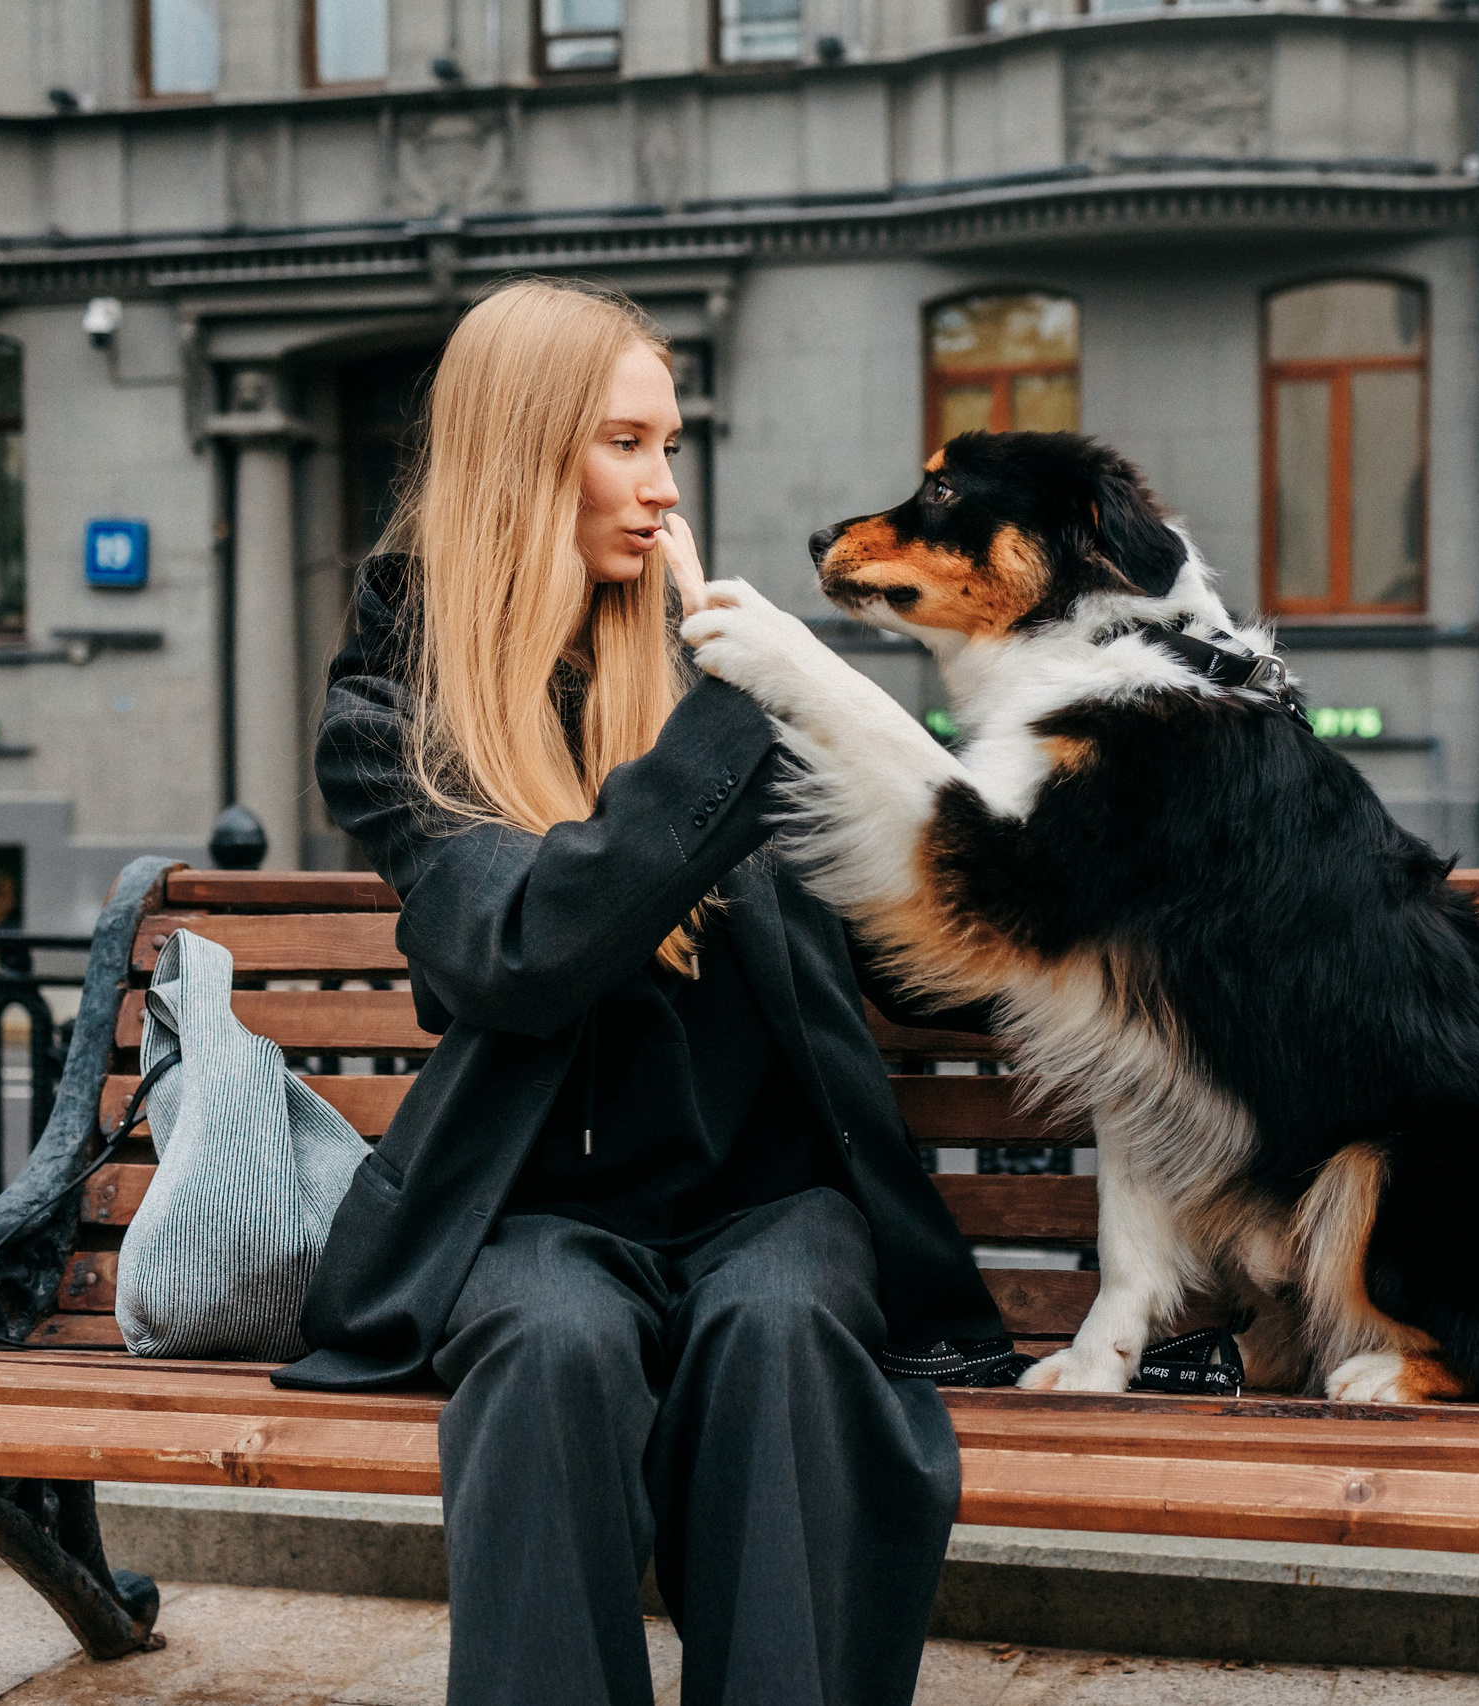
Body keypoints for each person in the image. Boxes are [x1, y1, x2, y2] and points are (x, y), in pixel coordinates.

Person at [273, 278, 1017, 1706]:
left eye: (668, 446)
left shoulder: (711, 673)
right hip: (538, 1210)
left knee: (786, 1330)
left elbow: (938, 938)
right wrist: (752, 712)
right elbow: (521, 949)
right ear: (522, 452)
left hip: (779, 1201)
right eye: (625, 444)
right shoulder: (395, 717)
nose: (664, 491)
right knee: (547, 1343)